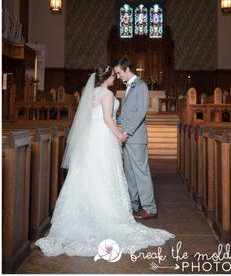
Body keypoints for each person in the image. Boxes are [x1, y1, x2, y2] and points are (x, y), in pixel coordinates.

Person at [35, 65, 175, 257]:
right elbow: (108, 120)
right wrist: (120, 136)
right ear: (106, 77)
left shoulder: (90, 92)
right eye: (113, 75)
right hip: (103, 136)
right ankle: (106, 212)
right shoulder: (107, 94)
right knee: (105, 173)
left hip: (90, 138)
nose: (115, 78)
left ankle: (83, 212)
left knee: (88, 173)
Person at [114, 58, 157, 220]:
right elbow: (128, 114)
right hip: (127, 137)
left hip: (135, 137)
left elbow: (140, 113)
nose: (117, 76)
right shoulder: (129, 87)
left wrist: (127, 133)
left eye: (119, 73)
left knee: (141, 173)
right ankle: (134, 205)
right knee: (130, 173)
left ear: (126, 70)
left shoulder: (141, 86)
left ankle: (150, 208)